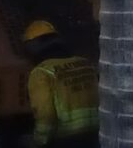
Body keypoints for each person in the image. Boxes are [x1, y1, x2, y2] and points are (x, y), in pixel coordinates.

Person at [20, 19, 98, 147]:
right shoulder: (85, 63)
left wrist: (37, 141)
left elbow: (45, 116)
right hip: (96, 134)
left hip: (66, 139)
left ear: (33, 47)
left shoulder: (41, 73)